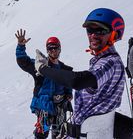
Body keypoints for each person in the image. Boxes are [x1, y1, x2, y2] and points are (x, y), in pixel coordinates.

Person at [35, 8, 126, 138]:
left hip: (91, 134)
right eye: (90, 30)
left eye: (100, 30)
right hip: (85, 132)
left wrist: (43, 69)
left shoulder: (110, 62)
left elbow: (77, 81)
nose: (93, 35)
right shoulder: (101, 60)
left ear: (114, 35)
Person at [15, 29, 73, 139]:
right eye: (50, 48)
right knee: (41, 134)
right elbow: (24, 62)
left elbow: (68, 84)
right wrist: (20, 46)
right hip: (44, 107)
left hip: (60, 106)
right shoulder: (40, 66)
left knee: (60, 135)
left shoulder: (65, 69)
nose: (53, 50)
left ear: (59, 49)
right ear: (47, 50)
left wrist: (69, 94)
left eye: (55, 48)